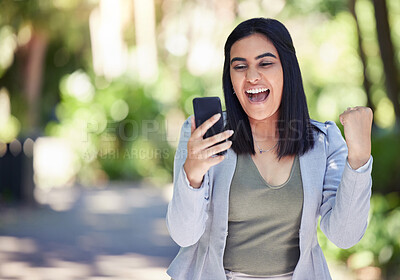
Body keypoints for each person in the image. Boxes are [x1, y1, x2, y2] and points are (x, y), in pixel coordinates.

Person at [166, 18, 373, 280]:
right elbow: (184, 234)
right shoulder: (203, 133)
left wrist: (359, 158)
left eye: (265, 63)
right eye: (239, 66)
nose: (252, 77)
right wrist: (192, 174)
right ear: (229, 77)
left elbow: (344, 236)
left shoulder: (323, 141)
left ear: (288, 69)